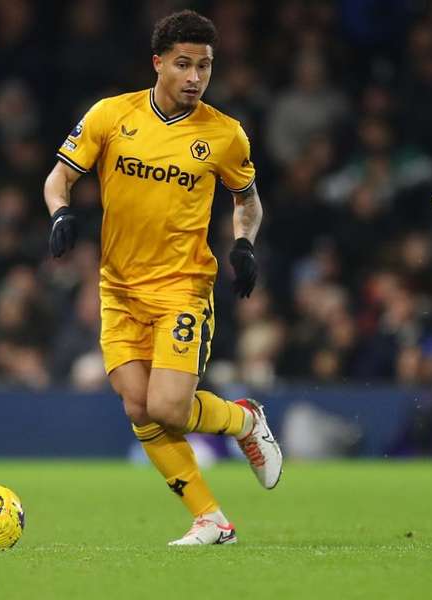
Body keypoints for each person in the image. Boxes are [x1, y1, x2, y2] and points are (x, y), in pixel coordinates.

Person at [42, 10, 282, 546]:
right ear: (158, 63)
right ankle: (211, 519)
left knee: (168, 407)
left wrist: (244, 243)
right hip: (118, 288)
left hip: (183, 287)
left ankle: (244, 421)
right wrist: (60, 212)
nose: (195, 76)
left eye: (205, 66)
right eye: (183, 64)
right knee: (137, 404)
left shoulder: (224, 134)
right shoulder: (111, 115)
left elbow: (248, 202)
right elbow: (59, 177)